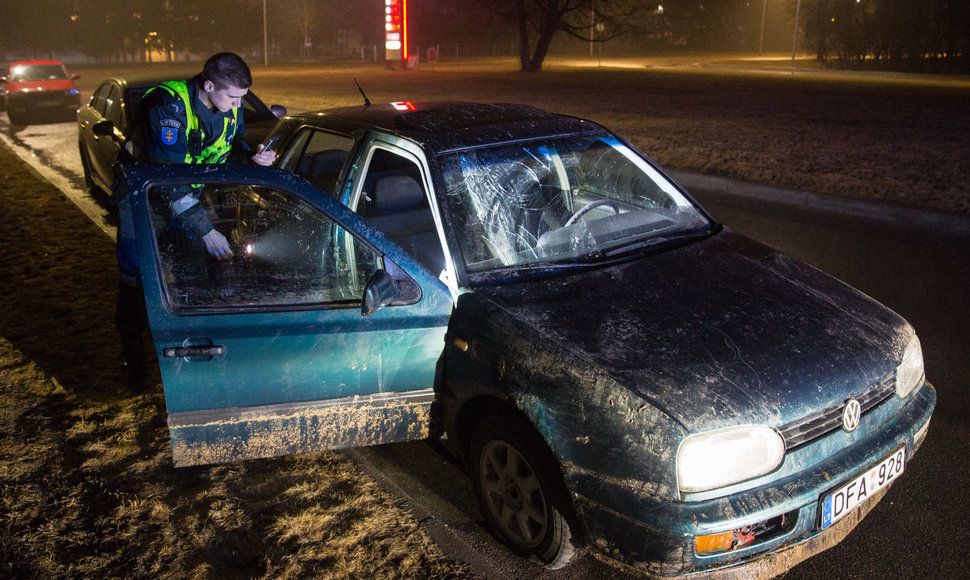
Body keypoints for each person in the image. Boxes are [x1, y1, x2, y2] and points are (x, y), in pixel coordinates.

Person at [114, 52, 276, 391]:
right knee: (137, 283)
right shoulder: (168, 105)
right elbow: (167, 178)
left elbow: (229, 152)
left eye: (241, 100)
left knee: (191, 279)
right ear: (208, 85)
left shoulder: (229, 111)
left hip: (183, 200)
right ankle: (136, 368)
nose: (236, 107)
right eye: (232, 98)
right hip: (140, 199)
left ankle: (188, 368)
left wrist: (253, 159)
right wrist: (206, 231)